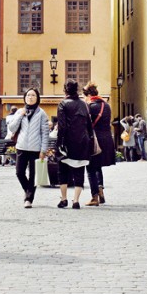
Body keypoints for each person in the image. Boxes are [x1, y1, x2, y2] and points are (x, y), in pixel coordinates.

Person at [6, 88, 50, 208]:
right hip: (21, 147)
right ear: (25, 97)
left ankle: (28, 199)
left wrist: (43, 150)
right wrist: (20, 115)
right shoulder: (20, 111)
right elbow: (12, 128)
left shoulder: (41, 113)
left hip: (35, 148)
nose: (30, 97)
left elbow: (45, 133)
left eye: (33, 95)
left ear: (37, 98)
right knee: (19, 172)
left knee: (33, 175)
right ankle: (28, 191)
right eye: (28, 95)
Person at [55, 79, 95, 209]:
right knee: (79, 172)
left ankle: (64, 199)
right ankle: (76, 201)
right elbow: (89, 125)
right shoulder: (84, 104)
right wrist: (90, 141)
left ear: (65, 90)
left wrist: (59, 143)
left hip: (67, 142)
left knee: (63, 171)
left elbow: (62, 126)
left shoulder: (63, 104)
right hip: (83, 142)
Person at [84, 82, 115, 206]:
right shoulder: (106, 106)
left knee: (90, 168)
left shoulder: (89, 107)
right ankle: (101, 192)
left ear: (88, 95)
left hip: (94, 140)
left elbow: (86, 125)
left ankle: (94, 197)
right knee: (98, 167)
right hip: (106, 140)